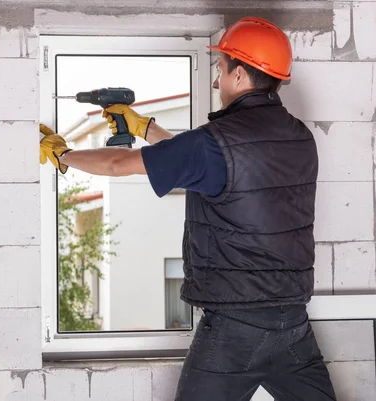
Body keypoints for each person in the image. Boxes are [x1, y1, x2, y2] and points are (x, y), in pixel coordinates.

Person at [40, 16, 336, 401]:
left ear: (242, 76)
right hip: (292, 323)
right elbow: (209, 166)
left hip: (235, 328)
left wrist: (65, 155)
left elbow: (117, 164)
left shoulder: (215, 144)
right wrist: (145, 127)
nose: (216, 82)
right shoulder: (301, 139)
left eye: (222, 70)